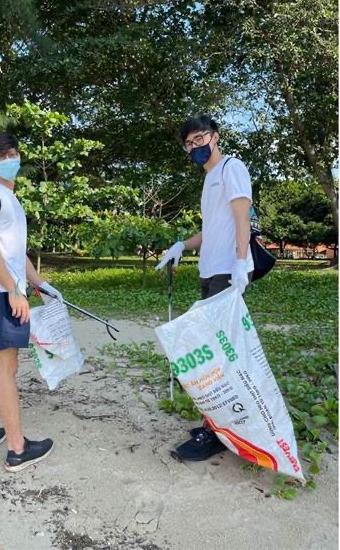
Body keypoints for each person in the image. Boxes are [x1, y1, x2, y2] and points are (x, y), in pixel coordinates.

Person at [156, 114, 253, 462]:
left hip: (228, 272)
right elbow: (211, 231)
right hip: (210, 272)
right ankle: (219, 425)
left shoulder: (231, 169)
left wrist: (241, 263)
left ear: (215, 136)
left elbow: (243, 217)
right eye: (189, 143)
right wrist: (181, 245)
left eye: (200, 139)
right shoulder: (210, 178)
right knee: (216, 351)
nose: (195, 147)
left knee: (220, 354)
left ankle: (218, 433)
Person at [0, 131, 63, 472]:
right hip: (1, 294)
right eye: (0, 156)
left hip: (5, 291)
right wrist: (13, 290)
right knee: (8, 368)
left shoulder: (12, 200)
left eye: (13, 154)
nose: (9, 160)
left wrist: (41, 284)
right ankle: (17, 448)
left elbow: (15, 254)